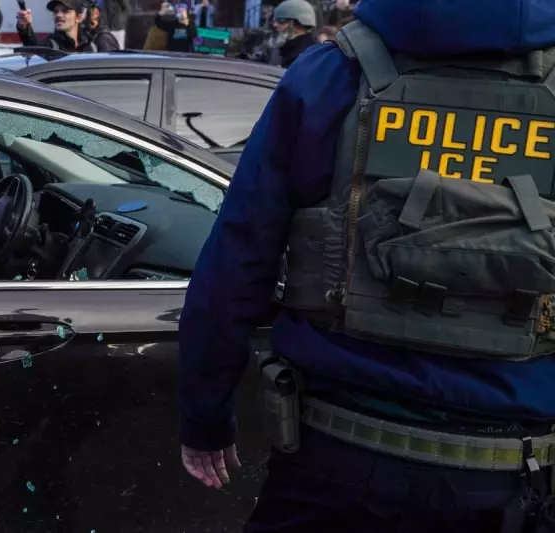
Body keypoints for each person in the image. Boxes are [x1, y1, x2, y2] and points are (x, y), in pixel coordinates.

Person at [178, 0, 555, 531]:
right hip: (511, 478)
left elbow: (237, 258)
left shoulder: (330, 72)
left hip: (333, 465)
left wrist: (205, 416)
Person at [17, 0, 97, 53]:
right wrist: (24, 27)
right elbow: (33, 50)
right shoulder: (50, 46)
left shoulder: (91, 47)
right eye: (55, 11)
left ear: (78, 18)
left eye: (65, 11)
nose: (58, 15)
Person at [257, 0, 317, 67]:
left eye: (281, 20)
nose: (275, 25)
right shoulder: (286, 47)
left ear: (297, 23)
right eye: (274, 21)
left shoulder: (307, 55)